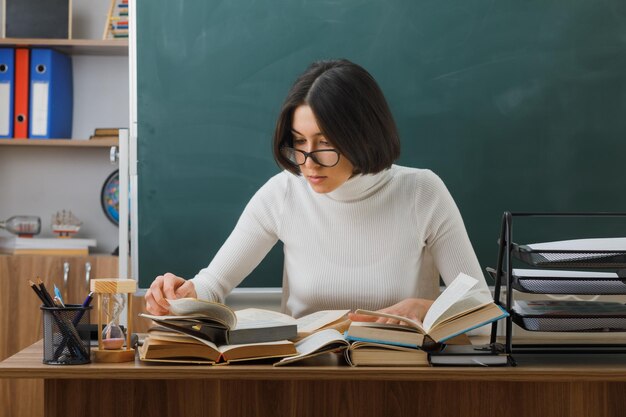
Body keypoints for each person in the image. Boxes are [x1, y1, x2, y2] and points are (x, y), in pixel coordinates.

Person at [145, 59, 490, 325]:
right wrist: (181, 295)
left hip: (398, 377)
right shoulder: (282, 193)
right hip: (303, 376)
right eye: (298, 142)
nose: (307, 162)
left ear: (362, 135)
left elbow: (480, 305)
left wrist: (427, 308)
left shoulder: (421, 192)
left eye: (324, 143)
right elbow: (213, 284)